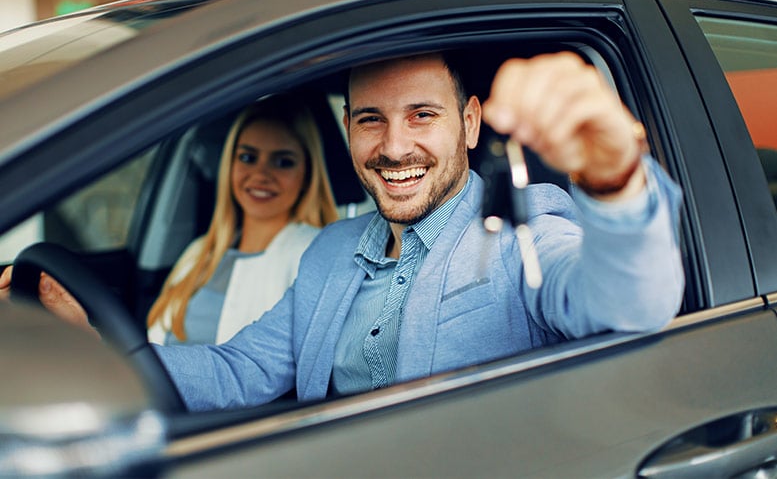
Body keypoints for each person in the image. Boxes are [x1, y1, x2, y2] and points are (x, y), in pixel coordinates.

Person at [4, 51, 685, 411]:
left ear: (470, 123)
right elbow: (240, 369)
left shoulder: (526, 227)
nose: (393, 147)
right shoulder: (331, 252)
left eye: (422, 115)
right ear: (348, 129)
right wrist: (93, 349)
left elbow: (631, 302)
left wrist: (614, 180)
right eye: (369, 120)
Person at [0, 94, 339, 345]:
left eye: (283, 162)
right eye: (247, 157)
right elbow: (153, 355)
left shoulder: (312, 254)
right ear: (229, 165)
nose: (260, 174)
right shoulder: (198, 253)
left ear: (308, 174)